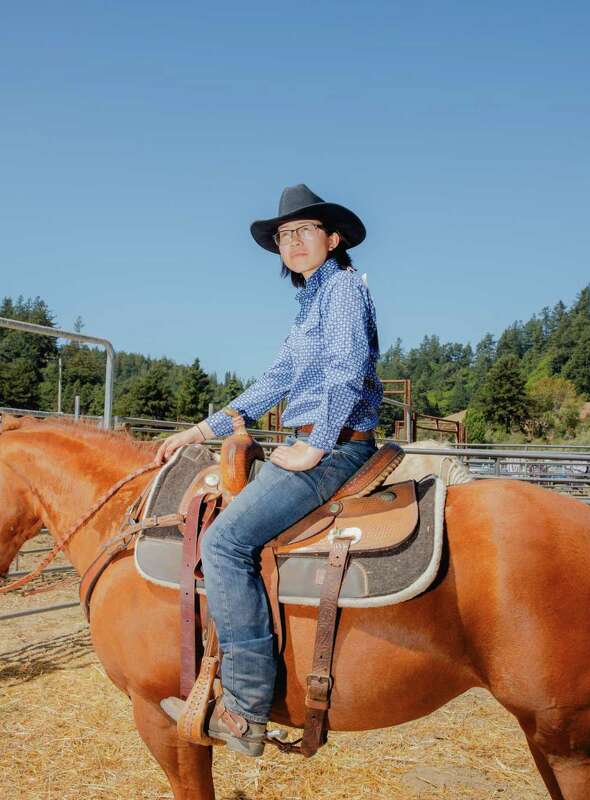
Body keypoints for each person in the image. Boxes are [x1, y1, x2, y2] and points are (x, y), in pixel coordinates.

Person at [156, 183, 383, 756]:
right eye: (284, 235)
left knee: (227, 541)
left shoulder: (344, 291)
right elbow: (272, 385)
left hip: (335, 446)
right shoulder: (310, 306)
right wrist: (198, 431)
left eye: (305, 230)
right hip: (318, 440)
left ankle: (245, 705)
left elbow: (348, 368)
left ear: (332, 239)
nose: (293, 241)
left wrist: (317, 444)